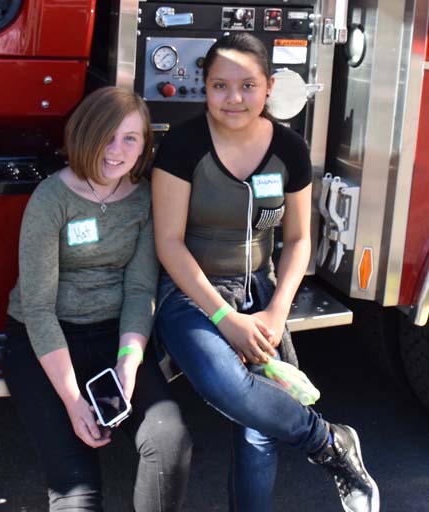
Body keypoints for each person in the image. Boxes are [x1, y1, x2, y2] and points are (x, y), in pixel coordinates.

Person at [151, 33, 379, 512]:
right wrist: (224, 320)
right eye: (220, 86)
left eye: (247, 86)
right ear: (203, 86)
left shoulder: (290, 150)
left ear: (269, 87)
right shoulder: (182, 146)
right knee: (227, 385)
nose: (234, 99)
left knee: (259, 433)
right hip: (192, 293)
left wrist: (276, 312)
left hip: (259, 292)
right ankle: (329, 444)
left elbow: (298, 241)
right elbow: (168, 242)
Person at [3, 86, 192, 511]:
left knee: (168, 441)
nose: (116, 150)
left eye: (130, 138)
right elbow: (37, 307)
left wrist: (128, 361)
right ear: (85, 134)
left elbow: (140, 289)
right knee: (78, 491)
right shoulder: (52, 199)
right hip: (45, 342)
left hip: (114, 338)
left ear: (144, 145)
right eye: (107, 135)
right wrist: (73, 402)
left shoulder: (143, 199)